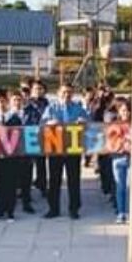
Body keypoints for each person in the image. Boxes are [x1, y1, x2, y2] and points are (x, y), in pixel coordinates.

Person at [42, 83, 88, 220]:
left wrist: (83, 122)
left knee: (74, 180)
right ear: (58, 93)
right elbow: (42, 124)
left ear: (72, 94)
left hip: (73, 150)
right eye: (64, 92)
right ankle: (53, 209)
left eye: (69, 92)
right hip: (55, 150)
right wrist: (49, 123)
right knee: (54, 180)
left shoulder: (78, 108)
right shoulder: (51, 107)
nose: (66, 95)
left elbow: (88, 124)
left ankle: (74, 209)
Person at [0, 91, 21, 222]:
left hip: (11, 157)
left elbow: (19, 136)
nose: (1, 104)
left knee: (10, 184)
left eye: (3, 101)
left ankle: (10, 212)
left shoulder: (14, 118)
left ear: (7, 103)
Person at [110, 98, 132, 224]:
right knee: (120, 186)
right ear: (119, 111)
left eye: (128, 110)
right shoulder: (114, 125)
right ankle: (121, 212)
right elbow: (110, 141)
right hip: (118, 157)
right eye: (123, 110)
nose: (126, 113)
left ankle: (131, 211)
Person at [27, 81, 50, 197]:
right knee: (28, 164)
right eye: (36, 89)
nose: (38, 91)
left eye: (40, 89)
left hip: (43, 136)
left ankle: (42, 185)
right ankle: (26, 188)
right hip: (29, 136)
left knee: (41, 163)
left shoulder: (46, 104)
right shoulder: (27, 103)